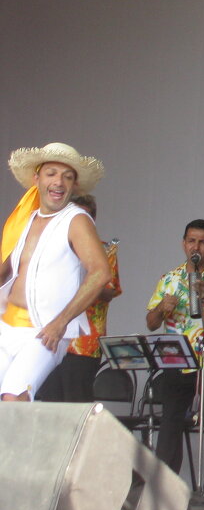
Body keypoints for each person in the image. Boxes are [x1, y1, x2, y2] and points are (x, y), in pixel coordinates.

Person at [0, 142, 110, 401]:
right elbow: (6, 269)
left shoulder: (76, 220)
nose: (59, 182)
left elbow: (100, 273)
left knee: (14, 398)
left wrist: (60, 323)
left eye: (67, 176)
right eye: (51, 173)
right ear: (37, 178)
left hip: (43, 332)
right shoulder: (25, 219)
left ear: (74, 186)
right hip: (7, 325)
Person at [146, 219, 204, 501]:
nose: (196, 246)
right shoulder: (169, 279)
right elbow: (151, 323)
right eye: (191, 241)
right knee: (171, 420)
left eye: (202, 242)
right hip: (177, 359)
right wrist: (162, 308)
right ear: (183, 243)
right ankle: (164, 485)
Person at [37, 194, 122, 402]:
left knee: (77, 404)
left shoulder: (103, 250)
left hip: (85, 342)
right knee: (49, 404)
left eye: (86, 216)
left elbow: (110, 292)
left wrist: (86, 280)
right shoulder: (53, 249)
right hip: (51, 337)